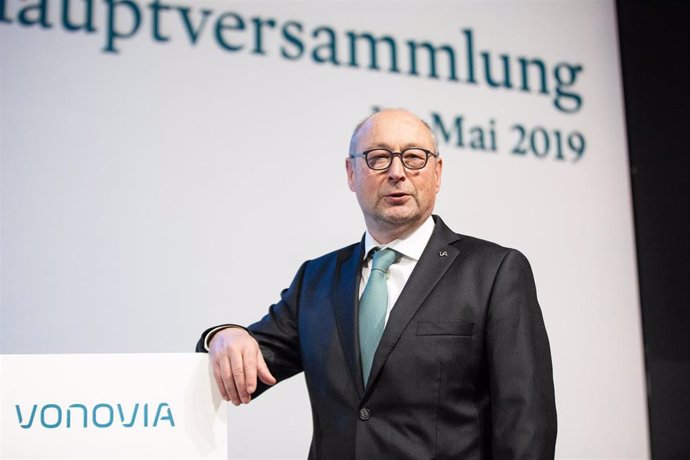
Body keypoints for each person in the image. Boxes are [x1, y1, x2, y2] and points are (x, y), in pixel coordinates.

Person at [196, 108, 557, 459]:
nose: (398, 172)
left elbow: (525, 423)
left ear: (437, 173)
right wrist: (223, 334)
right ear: (351, 173)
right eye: (378, 158)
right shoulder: (317, 279)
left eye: (414, 157)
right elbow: (247, 364)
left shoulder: (494, 271)